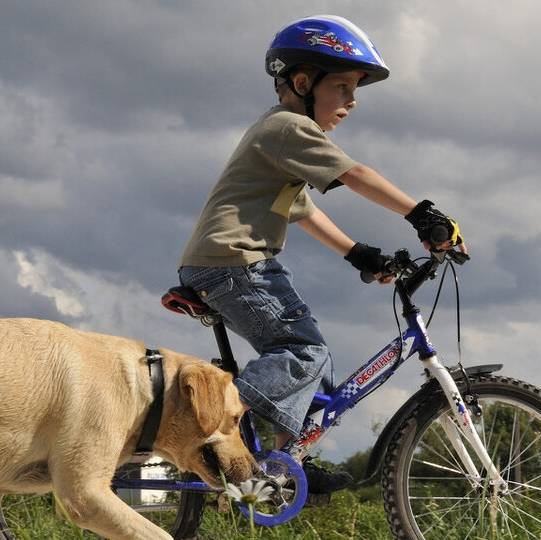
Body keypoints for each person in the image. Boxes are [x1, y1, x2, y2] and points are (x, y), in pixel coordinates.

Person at [177, 15, 467, 494]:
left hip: (232, 262)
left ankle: (286, 459)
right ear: (303, 82)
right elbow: (354, 175)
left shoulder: (281, 137)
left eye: (357, 90)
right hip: (233, 262)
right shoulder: (289, 128)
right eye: (343, 86)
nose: (352, 102)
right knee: (303, 351)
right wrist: (423, 214)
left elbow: (300, 210)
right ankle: (203, 425)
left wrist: (358, 253)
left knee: (320, 375)